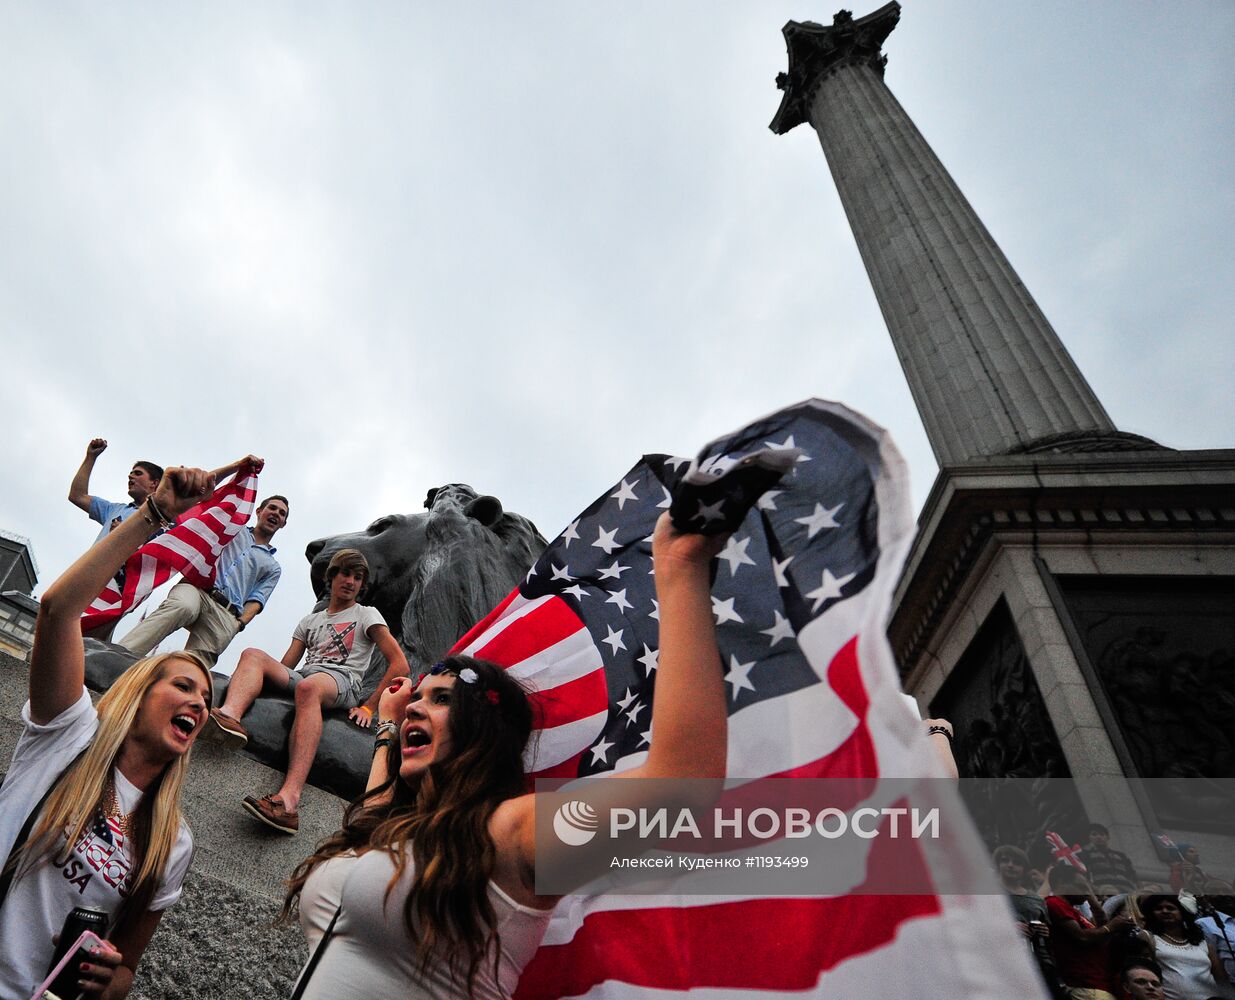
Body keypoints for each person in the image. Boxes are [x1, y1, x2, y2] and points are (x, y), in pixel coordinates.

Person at [279, 512, 729, 998]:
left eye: (442, 699)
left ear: (483, 730)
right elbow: (373, 811)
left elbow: (684, 785)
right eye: (419, 696)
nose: (416, 707)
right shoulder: (398, 824)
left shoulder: (513, 834)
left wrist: (681, 568)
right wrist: (388, 724)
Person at [0, 466, 216, 999]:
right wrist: (156, 516)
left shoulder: (173, 841)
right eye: (185, 687)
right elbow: (58, 609)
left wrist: (109, 981)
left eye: (207, 700)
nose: (199, 703)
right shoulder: (68, 734)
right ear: (140, 693)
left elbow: (126, 970)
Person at [206, 549, 411, 834]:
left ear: (362, 584)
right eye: (345, 574)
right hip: (306, 676)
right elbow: (287, 665)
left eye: (358, 577)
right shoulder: (310, 620)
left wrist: (369, 706)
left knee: (308, 687)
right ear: (332, 577)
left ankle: (289, 802)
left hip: (341, 681)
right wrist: (262, 681)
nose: (350, 581)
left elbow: (399, 664)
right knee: (253, 654)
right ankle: (228, 717)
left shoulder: (366, 615)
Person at [119, 460, 286, 668]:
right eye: (272, 508)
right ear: (259, 511)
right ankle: (120, 658)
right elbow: (208, 501)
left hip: (226, 612)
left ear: (283, 524)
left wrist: (239, 623)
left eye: (281, 513)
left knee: (193, 667)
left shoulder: (273, 567)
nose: (276, 514)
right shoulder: (232, 526)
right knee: (181, 607)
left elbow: (258, 599)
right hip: (198, 588)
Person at [1046, 864, 1136, 999]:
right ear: (1061, 882)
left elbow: (1103, 931)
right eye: (1081, 887)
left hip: (1100, 984)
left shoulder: (1075, 911)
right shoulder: (1054, 903)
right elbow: (1082, 937)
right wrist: (1112, 927)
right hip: (1085, 985)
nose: (1086, 892)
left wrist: (1091, 898)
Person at [996, 845, 1066, 998]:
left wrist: (1045, 931)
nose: (1010, 865)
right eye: (1005, 860)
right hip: (1005, 962)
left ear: (1024, 869)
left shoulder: (1036, 899)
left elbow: (1049, 931)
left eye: (1016, 862)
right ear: (998, 865)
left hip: (1040, 963)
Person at [68, 439, 164, 544]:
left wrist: (124, 536)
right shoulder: (114, 510)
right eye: (131, 473)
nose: (130, 476)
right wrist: (91, 457)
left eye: (138, 473)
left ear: (154, 483)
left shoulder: (162, 520)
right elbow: (77, 496)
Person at [1140, 893, 1228, 1000]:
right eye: (1158, 908)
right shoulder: (1148, 938)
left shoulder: (1203, 944)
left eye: (1170, 908)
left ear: (1182, 913)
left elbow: (1221, 978)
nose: (1165, 911)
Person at [1081, 824, 1140, 895]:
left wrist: (1139, 889)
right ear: (1089, 838)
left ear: (1108, 837)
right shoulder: (1086, 854)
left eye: (1102, 834)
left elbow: (1132, 875)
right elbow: (1085, 875)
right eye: (1094, 834)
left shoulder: (1120, 855)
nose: (1098, 837)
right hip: (1105, 890)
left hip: (1127, 890)